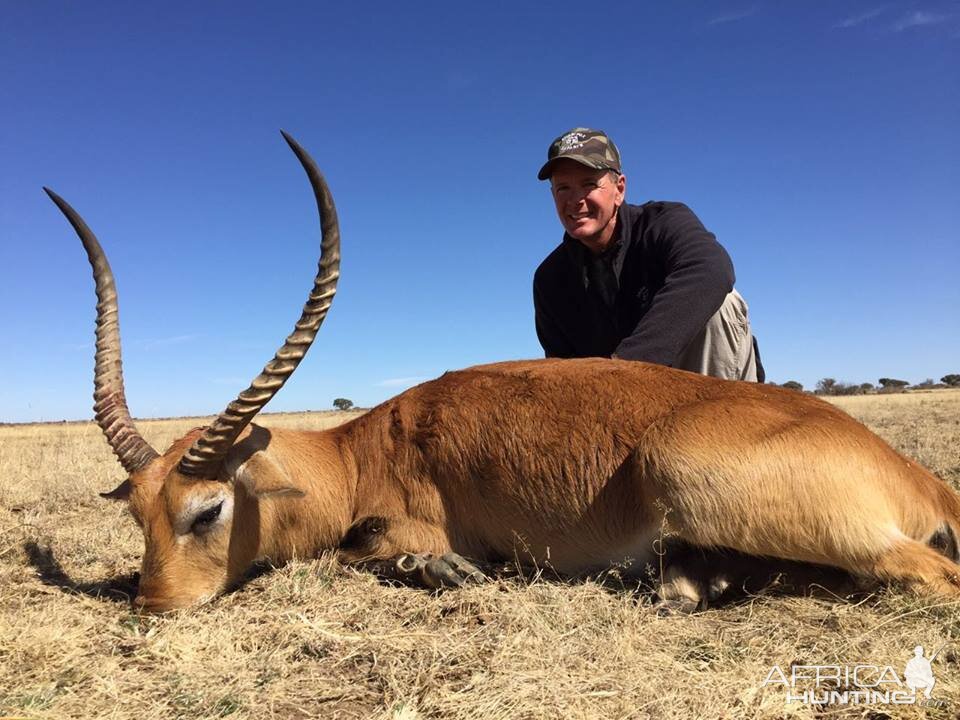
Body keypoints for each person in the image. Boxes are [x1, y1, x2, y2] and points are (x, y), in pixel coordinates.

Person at [533, 127, 764, 382]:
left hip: (696, 388)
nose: (575, 200)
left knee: (722, 302)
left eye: (589, 184)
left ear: (619, 189)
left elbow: (712, 270)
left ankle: (722, 419)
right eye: (563, 188)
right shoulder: (549, 279)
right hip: (618, 400)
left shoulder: (664, 222)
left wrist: (623, 369)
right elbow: (561, 368)